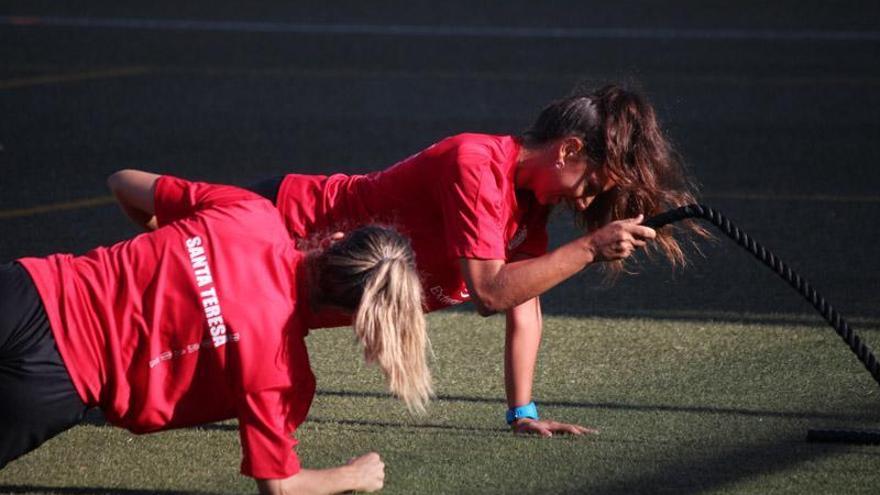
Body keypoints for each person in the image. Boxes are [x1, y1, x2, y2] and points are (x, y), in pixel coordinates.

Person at [0, 170, 432, 495]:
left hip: (30, 291)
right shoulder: (282, 375)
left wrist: (171, 257)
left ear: (337, 238)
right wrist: (352, 475)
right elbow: (279, 484)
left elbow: (124, 182)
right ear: (357, 318)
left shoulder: (252, 214)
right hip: (56, 384)